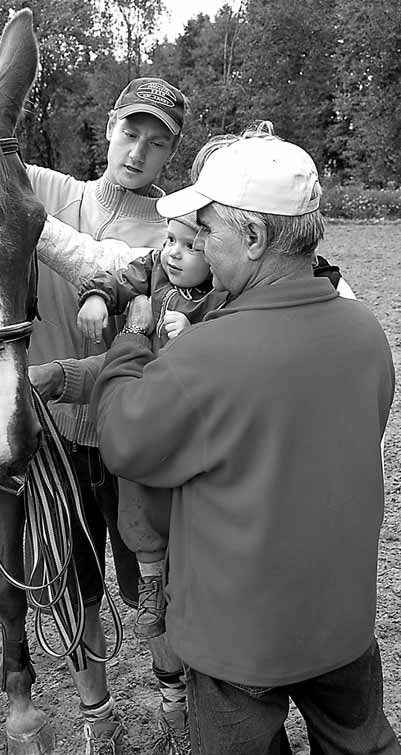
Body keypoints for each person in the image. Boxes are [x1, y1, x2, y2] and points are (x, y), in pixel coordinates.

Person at [89, 133, 399, 754]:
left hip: (238, 643)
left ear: (253, 239)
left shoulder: (207, 354)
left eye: (207, 231)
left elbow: (124, 440)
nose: (197, 244)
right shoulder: (365, 333)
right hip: (341, 626)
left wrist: (131, 340)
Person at [26, 77, 191, 754]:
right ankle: (96, 710)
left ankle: (172, 695)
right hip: (52, 434)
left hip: (129, 437)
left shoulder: (172, 235)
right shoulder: (45, 189)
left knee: (155, 584)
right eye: (131, 133)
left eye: (156, 145)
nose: (137, 153)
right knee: (72, 580)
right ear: (108, 126)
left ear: (168, 158)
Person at [75, 212, 227, 640]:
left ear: (215, 252)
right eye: (170, 239)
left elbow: (229, 340)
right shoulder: (156, 268)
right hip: (153, 404)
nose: (174, 252)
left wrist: (193, 330)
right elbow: (117, 278)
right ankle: (150, 585)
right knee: (135, 491)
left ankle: (187, 583)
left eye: (190, 245)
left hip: (190, 411)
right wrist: (99, 298)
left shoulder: (220, 294)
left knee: (186, 504)